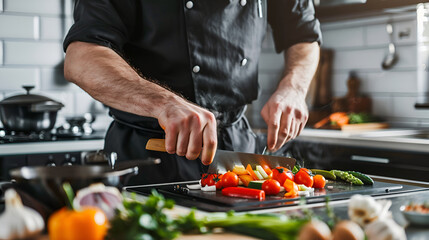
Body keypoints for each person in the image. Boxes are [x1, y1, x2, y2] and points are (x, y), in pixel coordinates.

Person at [63, 0, 321, 184]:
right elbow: (82, 57)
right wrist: (164, 103)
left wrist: (294, 88)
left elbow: (303, 34)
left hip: (235, 149)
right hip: (150, 152)